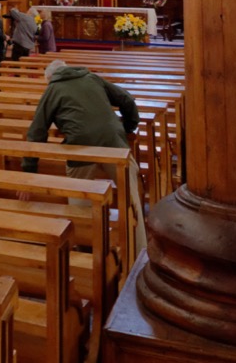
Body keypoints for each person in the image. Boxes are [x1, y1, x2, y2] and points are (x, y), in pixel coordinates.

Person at [21, 59, 147, 253]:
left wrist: (29, 172)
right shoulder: (92, 77)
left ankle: (88, 251)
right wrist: (127, 128)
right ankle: (141, 251)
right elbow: (126, 99)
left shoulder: (53, 89)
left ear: (50, 78)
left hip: (80, 148)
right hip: (114, 142)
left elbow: (37, 131)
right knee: (131, 199)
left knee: (79, 201)